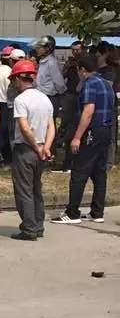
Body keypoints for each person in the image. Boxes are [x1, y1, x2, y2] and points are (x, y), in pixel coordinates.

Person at [52, 54, 114, 224]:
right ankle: (97, 211)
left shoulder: (90, 83)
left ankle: (72, 212)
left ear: (82, 70)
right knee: (99, 172)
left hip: (91, 131)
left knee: (79, 171)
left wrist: (77, 137)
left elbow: (88, 111)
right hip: (105, 130)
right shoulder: (105, 84)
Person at [9, 59, 54, 241]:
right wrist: (46, 148)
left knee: (24, 190)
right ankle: (38, 225)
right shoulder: (45, 98)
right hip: (42, 148)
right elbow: (52, 126)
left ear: (20, 78)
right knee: (36, 189)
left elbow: (24, 127)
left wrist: (35, 146)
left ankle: (29, 229)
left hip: (26, 148)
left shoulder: (21, 100)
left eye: (14, 79)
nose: (13, 83)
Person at [54, 41, 86, 173]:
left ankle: (75, 159)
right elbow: (62, 77)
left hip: (82, 96)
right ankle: (61, 159)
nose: (75, 52)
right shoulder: (71, 63)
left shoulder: (85, 63)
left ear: (83, 50)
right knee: (65, 126)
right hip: (69, 95)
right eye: (73, 50)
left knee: (78, 125)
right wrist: (67, 67)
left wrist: (79, 67)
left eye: (77, 50)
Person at [33, 36, 66, 135]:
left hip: (50, 98)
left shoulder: (51, 62)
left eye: (41, 47)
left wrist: (59, 95)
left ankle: (51, 149)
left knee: (49, 127)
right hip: (42, 97)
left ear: (48, 48)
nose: (37, 49)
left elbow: (59, 83)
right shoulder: (43, 62)